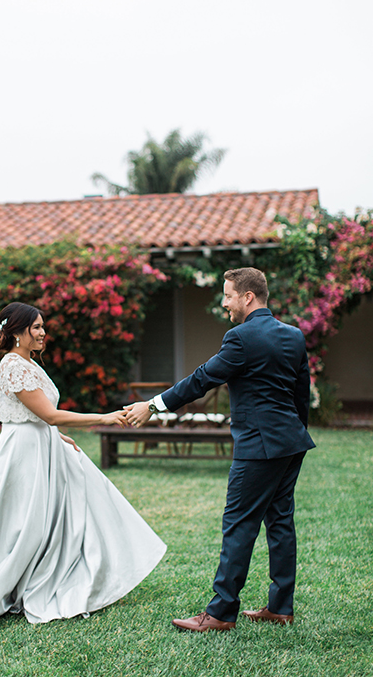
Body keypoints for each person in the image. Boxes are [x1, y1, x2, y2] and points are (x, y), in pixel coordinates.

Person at [0, 302, 166, 626]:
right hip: (23, 453)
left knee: (69, 508)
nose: (42, 333)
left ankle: (74, 571)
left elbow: (41, 420)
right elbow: (48, 414)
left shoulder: (30, 364)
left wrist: (56, 437)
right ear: (16, 331)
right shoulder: (12, 365)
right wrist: (104, 416)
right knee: (20, 524)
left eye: (42, 327)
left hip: (43, 444)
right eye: (36, 327)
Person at [125, 267, 315, 632]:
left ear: (248, 297)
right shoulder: (293, 336)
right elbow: (300, 394)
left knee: (239, 524)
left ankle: (221, 613)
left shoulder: (240, 338)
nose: (224, 303)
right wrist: (295, 434)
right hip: (290, 442)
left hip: (260, 445)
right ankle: (281, 607)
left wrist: (152, 406)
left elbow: (201, 379)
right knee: (280, 522)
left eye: (228, 295)